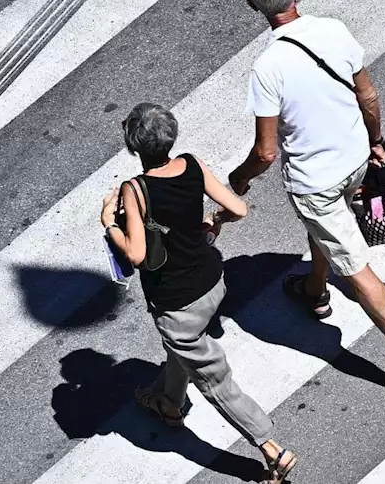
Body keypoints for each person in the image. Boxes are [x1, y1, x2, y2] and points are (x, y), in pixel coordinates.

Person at [227, 0, 385, 403]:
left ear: (254, 7)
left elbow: (266, 152)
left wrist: (239, 178)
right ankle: (313, 291)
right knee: (327, 230)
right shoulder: (333, 30)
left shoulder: (268, 68)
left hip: (316, 182)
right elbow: (367, 93)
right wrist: (377, 140)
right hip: (356, 158)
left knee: (356, 267)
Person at [100, 103, 297, 483]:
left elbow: (137, 253)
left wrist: (110, 224)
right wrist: (212, 222)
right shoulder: (192, 164)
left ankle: (271, 448)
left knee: (214, 378)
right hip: (213, 282)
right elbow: (238, 208)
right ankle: (168, 405)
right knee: (184, 349)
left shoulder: (135, 190)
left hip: (177, 302)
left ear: (134, 147)